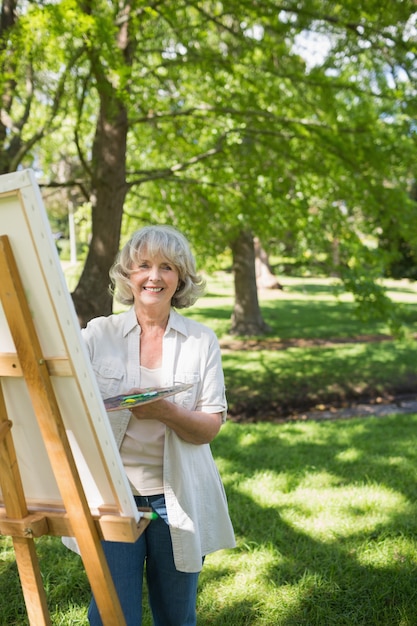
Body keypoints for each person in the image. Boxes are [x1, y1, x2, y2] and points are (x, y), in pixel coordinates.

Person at [83, 225, 235, 626]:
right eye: (144, 265)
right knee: (112, 617)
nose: (154, 276)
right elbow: (60, 390)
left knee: (176, 616)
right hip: (114, 499)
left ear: (180, 278)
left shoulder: (201, 341)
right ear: (127, 275)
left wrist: (167, 411)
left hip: (177, 499)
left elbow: (209, 427)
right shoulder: (99, 334)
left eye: (167, 267)